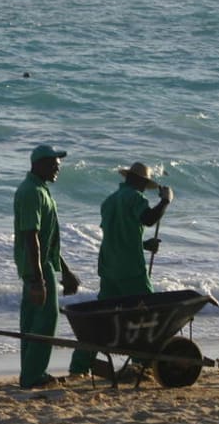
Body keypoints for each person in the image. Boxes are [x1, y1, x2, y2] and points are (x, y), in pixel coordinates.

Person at [68, 161, 173, 377]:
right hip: (131, 269)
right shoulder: (136, 198)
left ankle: (79, 367)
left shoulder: (108, 202)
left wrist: (144, 245)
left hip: (109, 269)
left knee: (100, 319)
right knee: (146, 315)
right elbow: (148, 219)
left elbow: (118, 236)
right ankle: (141, 363)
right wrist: (165, 201)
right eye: (144, 184)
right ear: (139, 182)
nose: (145, 189)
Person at [13, 144, 80, 389]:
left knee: (32, 321)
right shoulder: (32, 192)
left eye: (58, 164)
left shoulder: (40, 189)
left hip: (40, 265)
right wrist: (39, 279)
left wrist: (65, 270)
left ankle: (29, 373)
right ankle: (33, 375)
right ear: (38, 165)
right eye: (53, 164)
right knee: (46, 318)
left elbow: (47, 240)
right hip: (37, 267)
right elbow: (31, 236)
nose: (57, 169)